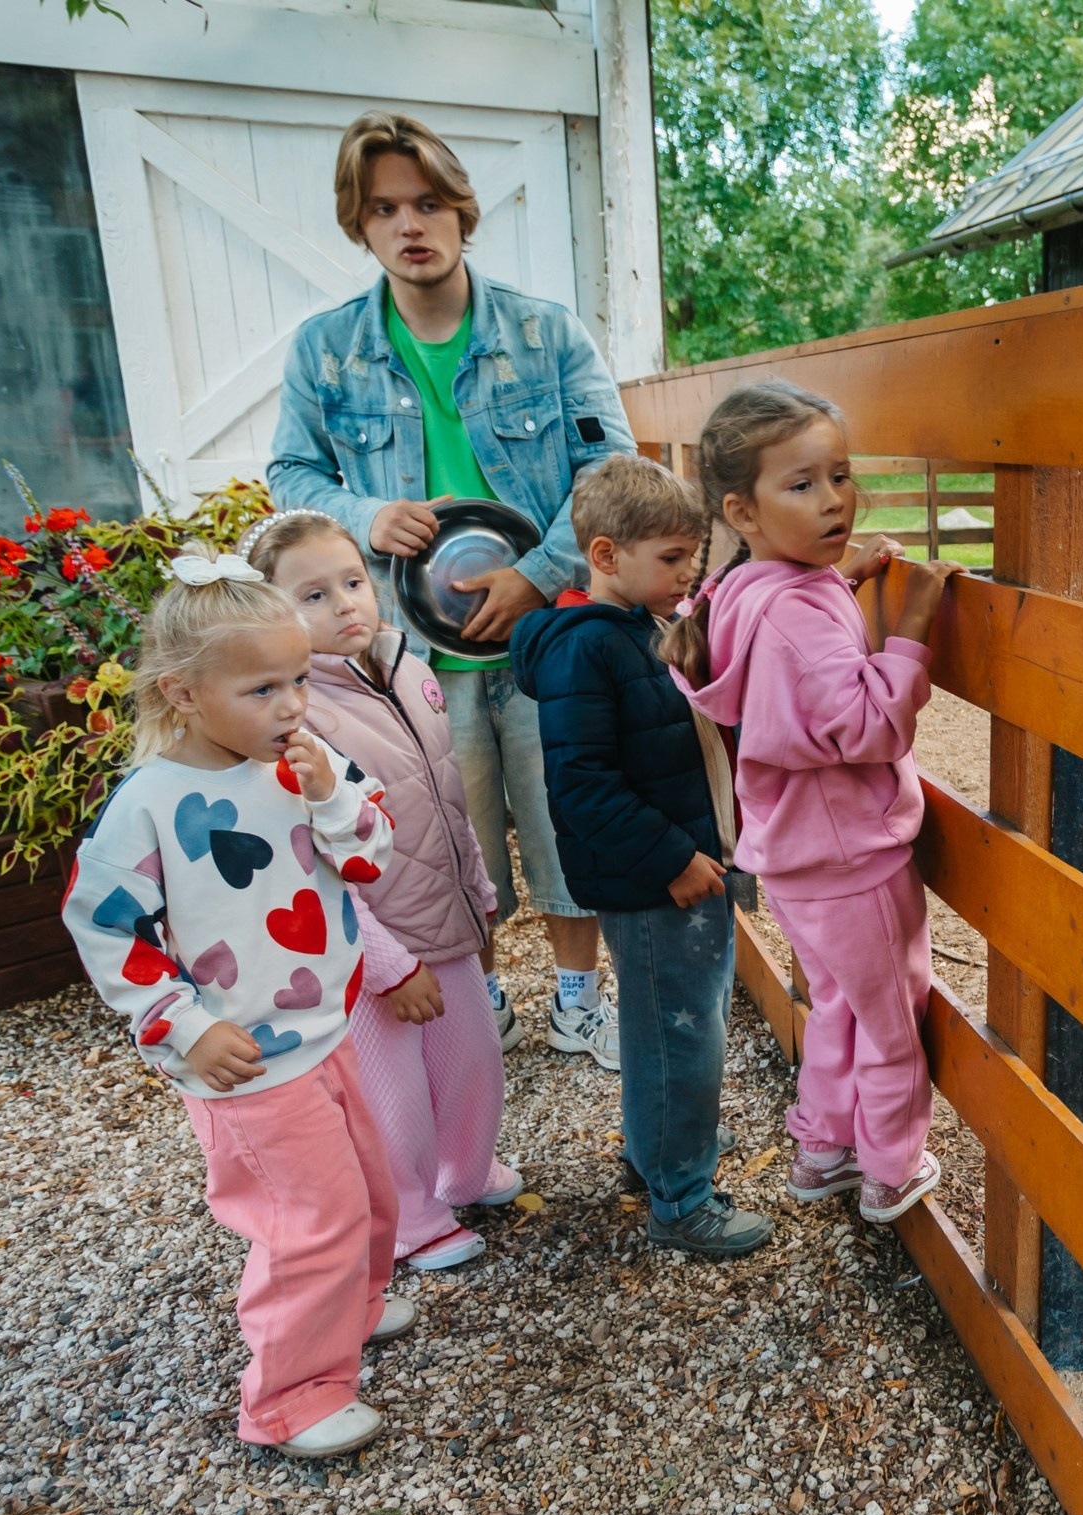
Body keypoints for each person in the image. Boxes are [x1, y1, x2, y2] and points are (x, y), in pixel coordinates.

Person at [267, 110, 634, 1072]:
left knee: (563, 808)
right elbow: (290, 475)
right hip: (408, 652)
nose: (410, 225)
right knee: (439, 828)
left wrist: (540, 572)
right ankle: (481, 1001)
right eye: (385, 208)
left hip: (545, 635)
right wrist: (362, 514)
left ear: (462, 211)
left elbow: (612, 474)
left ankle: (575, 999)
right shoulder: (326, 350)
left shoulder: (548, 335)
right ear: (361, 224)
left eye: (428, 202)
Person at [60, 552, 409, 1460]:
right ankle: (290, 1397)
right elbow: (107, 925)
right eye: (263, 688)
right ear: (182, 692)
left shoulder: (303, 763)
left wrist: (333, 795)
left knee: (368, 1194)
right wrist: (184, 1024)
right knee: (310, 1223)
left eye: (298, 679)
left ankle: (350, 1312)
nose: (293, 705)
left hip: (323, 1032)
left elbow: (372, 854)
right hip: (246, 1062)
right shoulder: (146, 807)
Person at [666, 381, 959, 1225]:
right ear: (742, 511)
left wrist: (850, 579)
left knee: (836, 1002)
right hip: (851, 860)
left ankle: (823, 1146)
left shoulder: (747, 587)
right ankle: (892, 1167)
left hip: (795, 858)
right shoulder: (798, 612)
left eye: (840, 474)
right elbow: (868, 725)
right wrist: (912, 625)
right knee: (893, 1013)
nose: (834, 500)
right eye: (801, 485)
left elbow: (798, 650)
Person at [508, 456, 772, 1258]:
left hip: (679, 867)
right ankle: (682, 1199)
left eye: (690, 562)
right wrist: (673, 858)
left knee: (667, 1023)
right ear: (605, 553)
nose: (682, 578)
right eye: (668, 562)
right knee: (682, 1033)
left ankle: (654, 1147)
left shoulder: (638, 627)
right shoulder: (589, 652)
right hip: (659, 881)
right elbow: (583, 788)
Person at [248, 508, 524, 1273]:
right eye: (312, 596)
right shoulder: (294, 717)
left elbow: (449, 792)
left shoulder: (409, 666)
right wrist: (383, 962)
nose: (345, 604)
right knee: (393, 1095)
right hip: (372, 951)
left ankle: (463, 1173)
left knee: (473, 1060)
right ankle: (409, 1213)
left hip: (445, 917)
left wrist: (476, 880)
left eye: (352, 582)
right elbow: (312, 861)